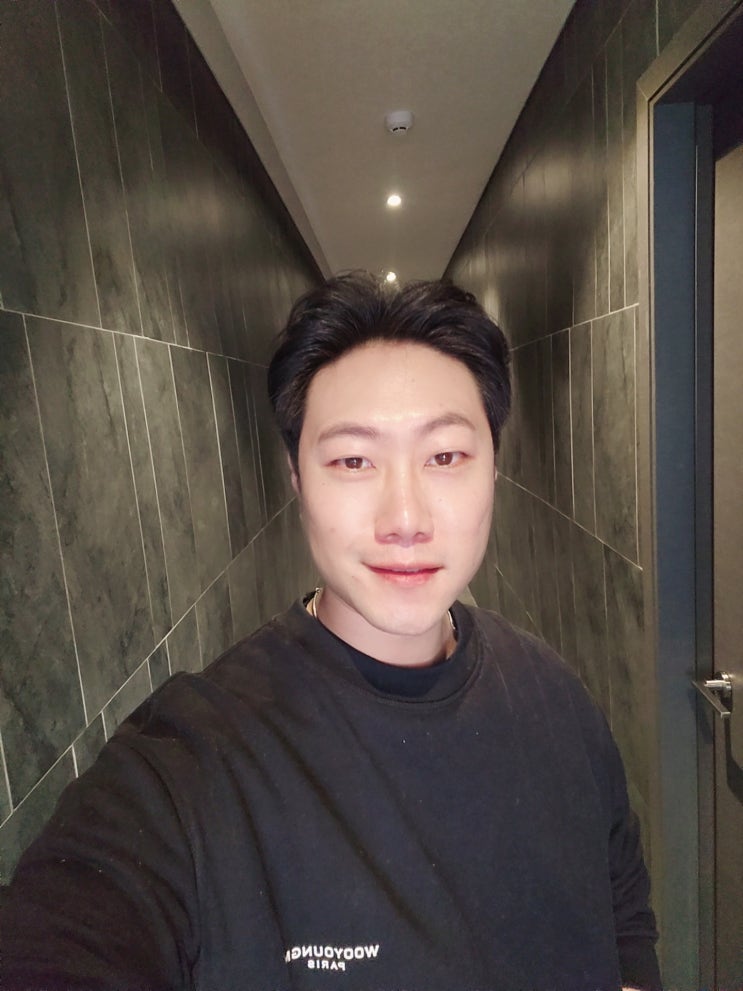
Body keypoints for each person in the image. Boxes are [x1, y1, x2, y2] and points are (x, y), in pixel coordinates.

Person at [1, 273, 661, 990]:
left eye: (444, 456)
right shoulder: (192, 766)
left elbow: (622, 921)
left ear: (494, 468)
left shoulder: (556, 696)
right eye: (352, 460)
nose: (404, 518)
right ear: (296, 479)